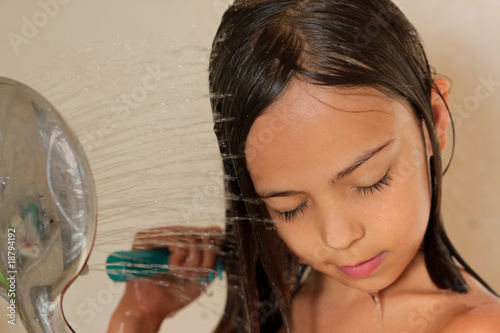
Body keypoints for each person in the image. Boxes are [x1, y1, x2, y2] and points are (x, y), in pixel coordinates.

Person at [108, 0, 500, 332]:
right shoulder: (273, 310)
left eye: (370, 181)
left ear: (434, 119)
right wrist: (141, 313)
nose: (337, 237)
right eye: (289, 207)